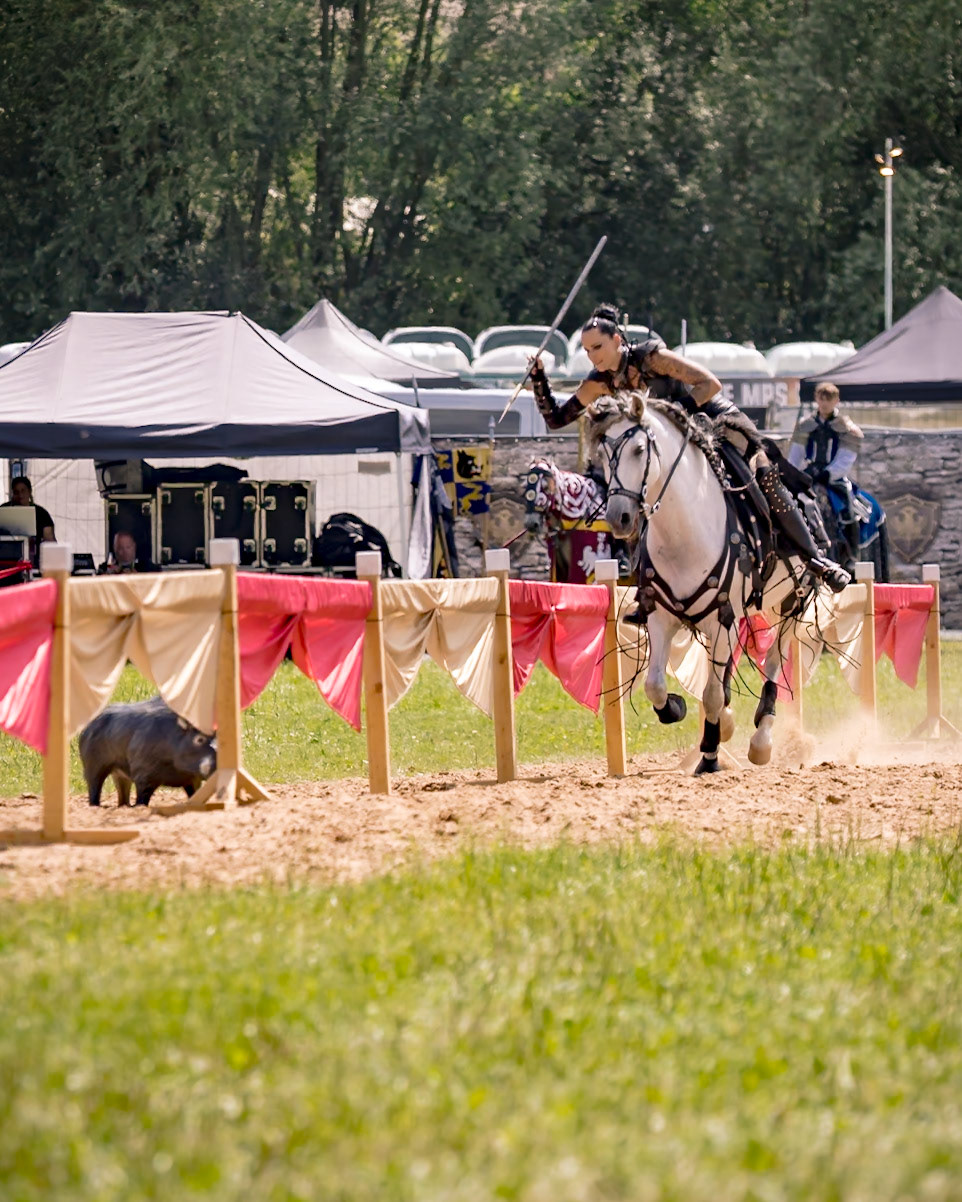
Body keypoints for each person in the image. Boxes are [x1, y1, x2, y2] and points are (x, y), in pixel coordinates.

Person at [528, 303, 851, 593]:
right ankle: (650, 591)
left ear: (617, 340)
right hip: (666, 442)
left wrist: (672, 414)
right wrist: (540, 381)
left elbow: (710, 384)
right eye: (586, 350)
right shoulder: (598, 381)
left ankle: (815, 560)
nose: (592, 356)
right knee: (632, 489)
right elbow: (558, 418)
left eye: (597, 346)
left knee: (762, 473)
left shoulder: (652, 357)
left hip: (711, 420)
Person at [788, 381, 863, 570]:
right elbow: (796, 454)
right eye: (821, 398)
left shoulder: (846, 428)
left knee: (847, 509)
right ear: (816, 399)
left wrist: (829, 473)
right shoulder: (805, 425)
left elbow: (846, 457)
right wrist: (793, 474)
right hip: (809, 474)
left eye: (829, 398)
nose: (825, 403)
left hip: (834, 478)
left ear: (836, 400)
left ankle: (853, 555)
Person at [0, 475, 56, 566]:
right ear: (12, 494)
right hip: (7, 562)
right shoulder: (3, 510)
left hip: (34, 562)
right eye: (16, 492)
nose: (20, 495)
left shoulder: (42, 514)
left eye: (23, 491)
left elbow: (50, 540)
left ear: (30, 492)